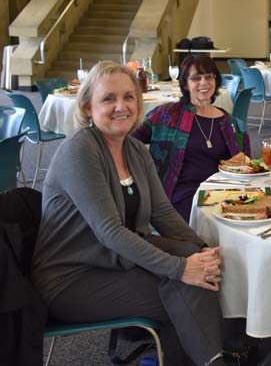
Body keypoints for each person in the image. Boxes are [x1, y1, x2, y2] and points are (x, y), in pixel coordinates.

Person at [32, 62, 229, 366]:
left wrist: (201, 249)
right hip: (72, 277)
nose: (121, 106)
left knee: (198, 261)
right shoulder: (80, 150)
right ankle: (212, 359)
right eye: (108, 99)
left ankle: (183, 354)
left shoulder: (134, 149)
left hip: (114, 259)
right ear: (87, 107)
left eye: (129, 97)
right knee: (185, 285)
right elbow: (110, 232)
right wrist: (180, 269)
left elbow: (162, 213)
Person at [131, 55, 249, 221]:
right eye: (196, 78)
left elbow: (247, 165)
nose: (203, 82)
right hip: (181, 193)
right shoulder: (166, 115)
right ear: (185, 84)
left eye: (209, 76)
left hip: (223, 192)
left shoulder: (229, 121)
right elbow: (128, 141)